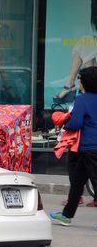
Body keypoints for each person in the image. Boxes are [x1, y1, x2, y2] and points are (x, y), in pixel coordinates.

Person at [49, 66, 97, 225]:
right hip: (89, 149)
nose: (79, 82)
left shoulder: (82, 99)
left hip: (90, 147)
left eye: (80, 79)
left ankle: (67, 215)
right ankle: (66, 215)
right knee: (77, 182)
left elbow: (76, 122)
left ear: (85, 82)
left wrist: (64, 124)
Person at [53, 0, 97, 103]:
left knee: (85, 46)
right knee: (85, 47)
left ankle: (71, 85)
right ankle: (88, 89)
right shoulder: (95, 6)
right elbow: (93, 30)